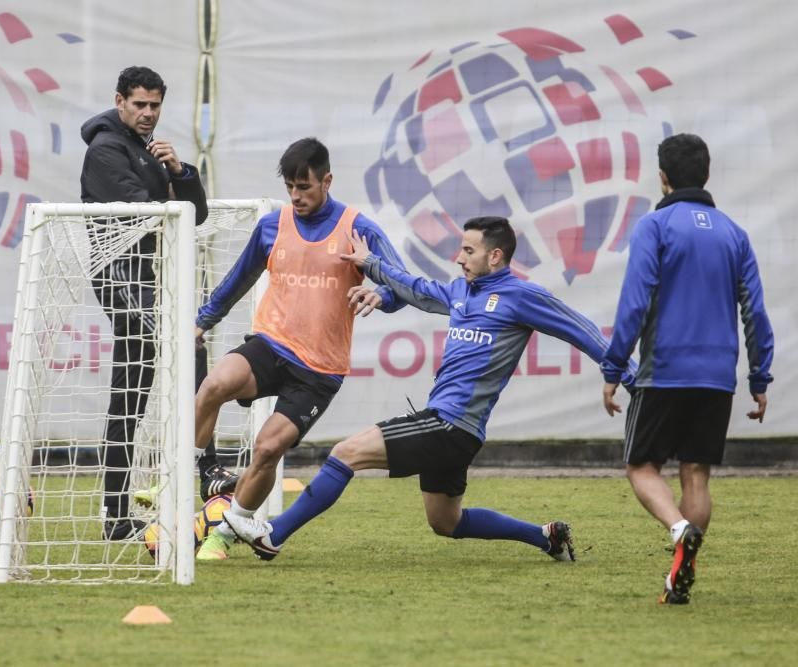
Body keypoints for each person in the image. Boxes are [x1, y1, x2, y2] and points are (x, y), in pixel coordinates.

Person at [224, 216, 634, 563]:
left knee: (344, 454)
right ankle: (546, 536)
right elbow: (415, 288)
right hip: (455, 430)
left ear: (495, 256)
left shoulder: (521, 296)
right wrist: (373, 268)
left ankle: (273, 535)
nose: (459, 258)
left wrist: (626, 375)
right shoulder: (460, 292)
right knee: (446, 522)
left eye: (469, 251)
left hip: (450, 424)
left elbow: (580, 329)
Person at [192, 137, 408, 560]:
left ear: (327, 180)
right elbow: (239, 279)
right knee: (215, 383)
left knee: (268, 448)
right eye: (290, 187)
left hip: (319, 370)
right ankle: (192, 467)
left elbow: (401, 285)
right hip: (272, 344)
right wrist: (202, 321)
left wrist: (380, 295)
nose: (296, 196)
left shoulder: (358, 229)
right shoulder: (273, 225)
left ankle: (227, 531)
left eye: (304, 187)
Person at [600, 133, 774, 604]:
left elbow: (635, 303)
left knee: (641, 465)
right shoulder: (734, 233)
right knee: (696, 475)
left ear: (662, 178)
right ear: (707, 174)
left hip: (664, 370)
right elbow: (754, 312)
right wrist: (759, 376)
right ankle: (683, 567)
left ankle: (679, 530)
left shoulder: (654, 227)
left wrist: (614, 367)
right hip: (717, 376)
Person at [80, 66, 237, 540]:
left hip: (147, 277)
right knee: (185, 349)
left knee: (132, 393)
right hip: (118, 275)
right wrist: (163, 188)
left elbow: (194, 214)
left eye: (155, 106)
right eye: (140, 104)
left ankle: (117, 514)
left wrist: (179, 172)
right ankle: (205, 466)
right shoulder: (105, 148)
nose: (148, 114)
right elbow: (150, 212)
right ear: (120, 101)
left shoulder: (147, 150)